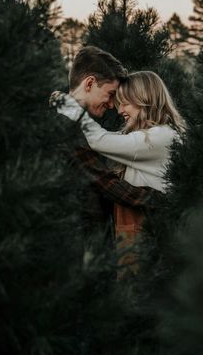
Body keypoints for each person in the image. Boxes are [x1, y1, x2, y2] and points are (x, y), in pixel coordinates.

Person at [50, 69, 185, 276]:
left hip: (148, 224)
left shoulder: (161, 136)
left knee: (139, 289)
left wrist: (68, 106)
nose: (119, 109)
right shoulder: (147, 136)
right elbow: (106, 138)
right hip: (135, 221)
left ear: (145, 99)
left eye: (125, 102)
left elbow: (99, 140)